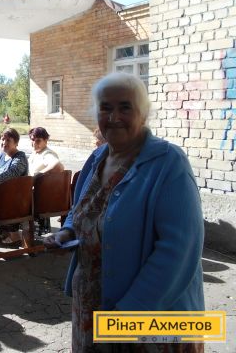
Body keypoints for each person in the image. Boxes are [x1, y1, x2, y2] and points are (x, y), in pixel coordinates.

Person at [44, 72, 204, 353]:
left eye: (125, 107)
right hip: (92, 306)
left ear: (143, 114)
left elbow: (179, 249)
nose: (114, 117)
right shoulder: (98, 157)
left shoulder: (169, 163)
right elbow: (82, 208)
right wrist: (67, 232)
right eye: (105, 107)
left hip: (149, 316)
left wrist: (127, 317)